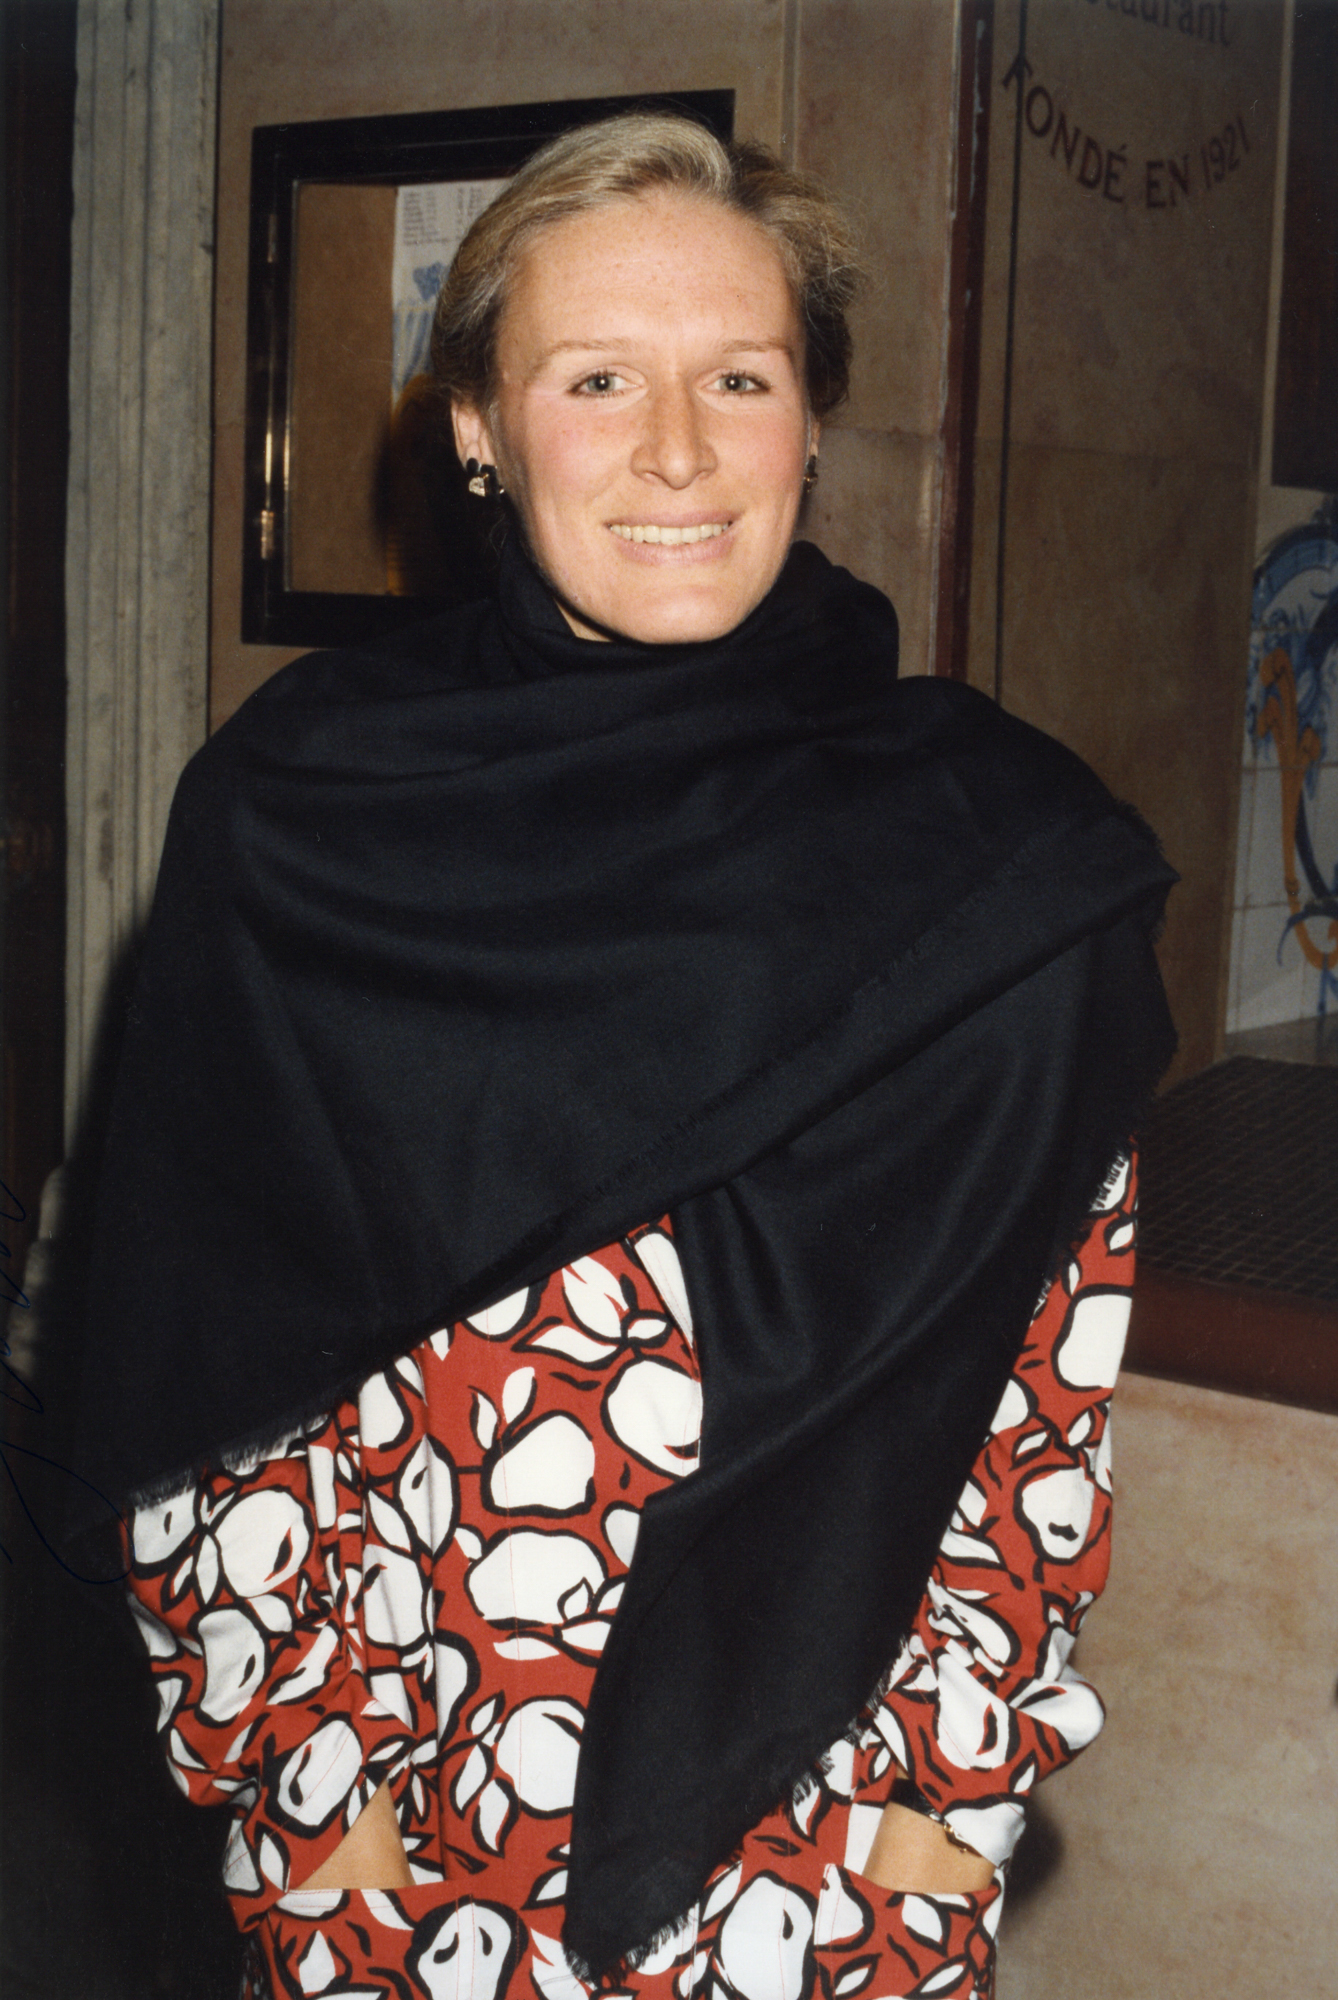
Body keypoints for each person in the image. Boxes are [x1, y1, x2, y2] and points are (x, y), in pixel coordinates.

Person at [82, 114, 1176, 1999]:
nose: (678, 449)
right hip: (411, 1833)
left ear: (809, 421)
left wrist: (935, 1832)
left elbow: (1037, 1396)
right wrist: (311, 1816)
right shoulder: (302, 819)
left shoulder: (1002, 854)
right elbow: (210, 1371)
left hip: (826, 1849)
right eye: (597, 379)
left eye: (738, 377)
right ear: (477, 431)